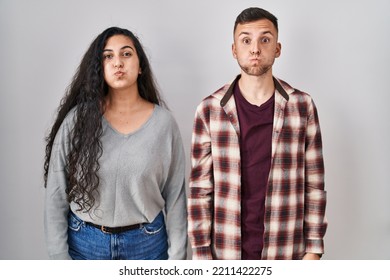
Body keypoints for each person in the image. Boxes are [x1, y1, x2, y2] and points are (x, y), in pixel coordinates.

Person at [188, 7, 327, 260]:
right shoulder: (209, 109)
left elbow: (314, 184)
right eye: (246, 40)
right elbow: (199, 190)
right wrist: (202, 259)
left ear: (277, 48)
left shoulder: (302, 106)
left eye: (265, 39)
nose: (255, 49)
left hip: (287, 251)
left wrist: (314, 250)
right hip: (226, 253)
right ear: (234, 50)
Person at [44, 27, 187, 260]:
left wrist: (177, 260)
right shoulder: (77, 121)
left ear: (141, 66)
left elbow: (176, 197)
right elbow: (56, 196)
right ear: (99, 67)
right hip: (84, 245)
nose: (118, 62)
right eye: (108, 56)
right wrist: (60, 262)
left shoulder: (164, 124)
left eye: (126, 54)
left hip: (147, 245)